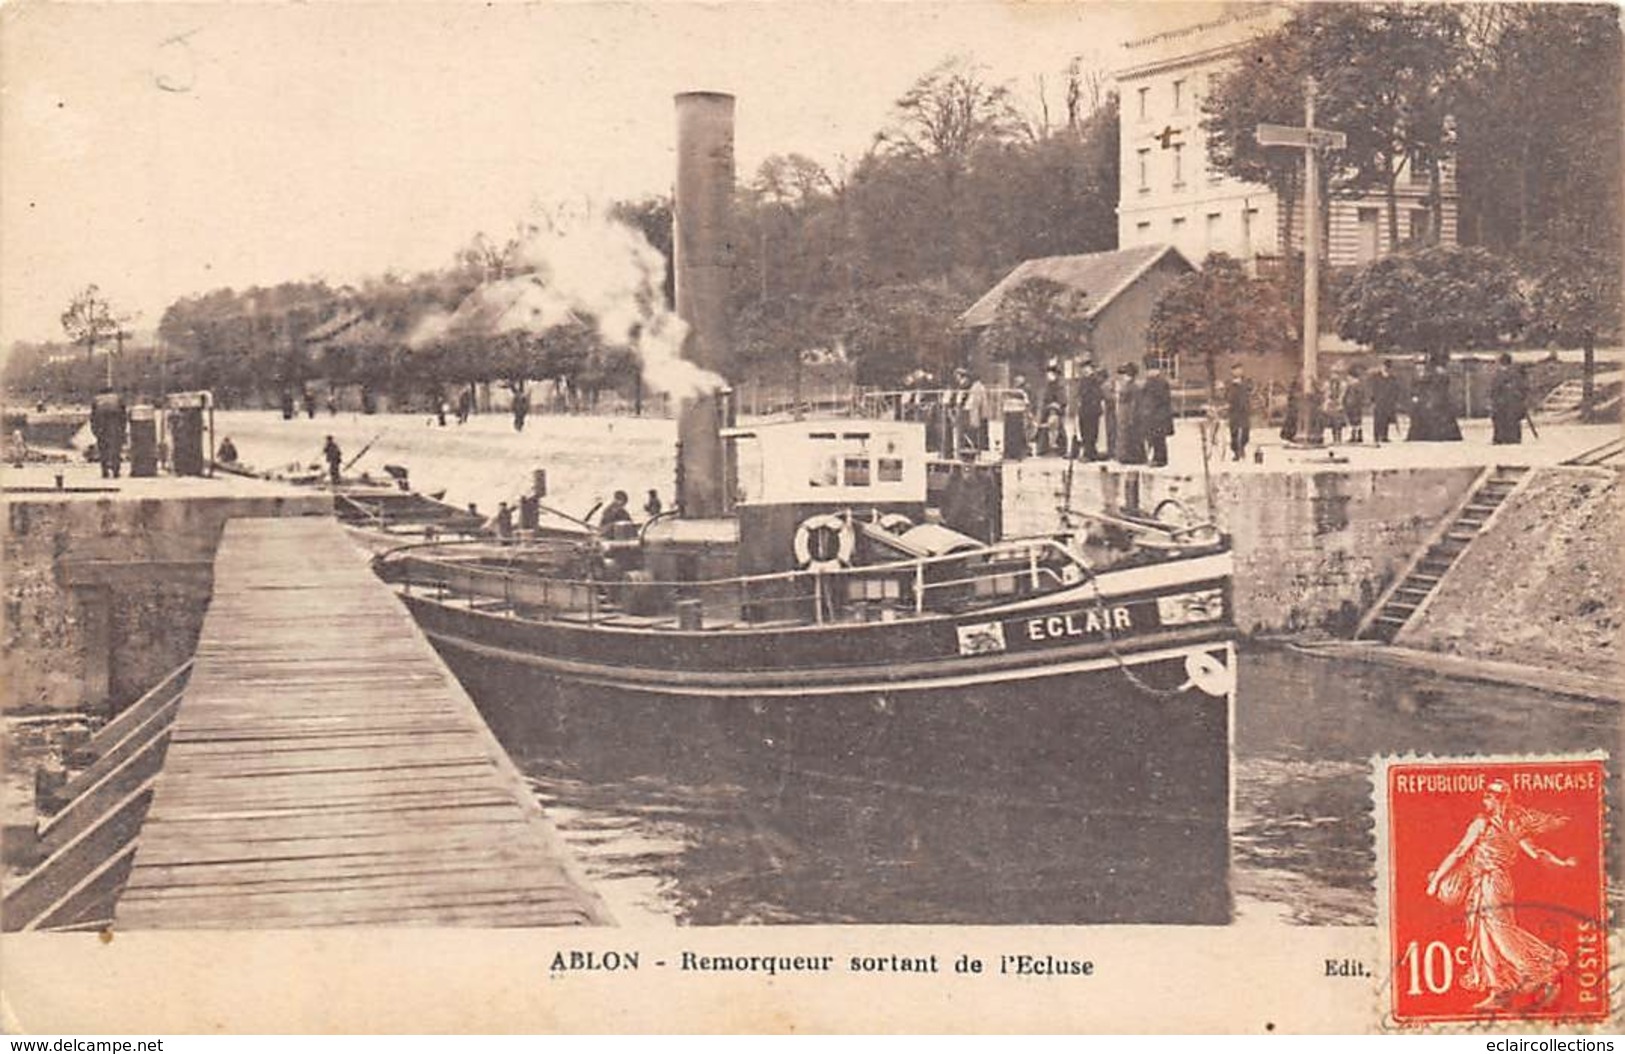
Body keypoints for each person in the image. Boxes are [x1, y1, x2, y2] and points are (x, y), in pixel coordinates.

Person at [1426, 779, 1575, 1010]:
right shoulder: (1514, 825)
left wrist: (1436, 880)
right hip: (1493, 882)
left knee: (1499, 933)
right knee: (1485, 935)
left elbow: (1459, 852)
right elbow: (1536, 853)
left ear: (1499, 799)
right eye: (1486, 794)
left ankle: (1543, 970)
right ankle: (1500, 991)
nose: (1485, 798)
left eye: (1489, 795)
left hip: (1490, 882)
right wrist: (1561, 862)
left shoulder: (1482, 823)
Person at [1138, 364, 1174, 468]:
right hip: (1155, 415)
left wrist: (1149, 408)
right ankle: (1157, 458)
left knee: (1158, 438)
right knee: (1155, 438)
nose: (1148, 373)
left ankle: (1160, 459)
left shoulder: (1158, 382)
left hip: (1158, 415)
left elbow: (1158, 399)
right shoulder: (1153, 382)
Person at [1490, 352, 1528, 445]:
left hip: (1504, 402)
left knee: (1502, 420)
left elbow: (1495, 388)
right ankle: (1512, 438)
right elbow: (1522, 387)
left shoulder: (1500, 374)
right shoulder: (1515, 374)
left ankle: (1502, 438)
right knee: (1511, 420)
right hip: (1512, 402)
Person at [89, 388, 128, 479]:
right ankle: (115, 470)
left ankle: (104, 471)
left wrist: (95, 431)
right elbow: (123, 415)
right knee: (115, 447)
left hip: (101, 423)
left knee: (103, 447)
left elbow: (92, 417)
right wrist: (123, 429)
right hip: (115, 423)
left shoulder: (96, 399)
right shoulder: (118, 398)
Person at [1073, 360, 1104, 461]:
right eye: (1084, 368)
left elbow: (1098, 394)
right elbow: (1079, 394)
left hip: (1092, 410)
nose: (1085, 370)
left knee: (1091, 432)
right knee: (1084, 431)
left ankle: (1089, 453)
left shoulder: (1095, 380)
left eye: (1087, 368)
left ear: (1091, 369)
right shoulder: (1083, 380)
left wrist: (1092, 402)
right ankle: (1089, 451)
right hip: (1084, 410)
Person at [1115, 363, 1144, 464]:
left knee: (1131, 435)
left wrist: (1131, 416)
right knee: (1125, 434)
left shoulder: (1133, 387)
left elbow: (1134, 402)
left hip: (1128, 413)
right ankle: (1126, 455)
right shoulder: (1128, 385)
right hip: (1124, 413)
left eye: (1126, 374)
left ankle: (1132, 456)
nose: (1124, 377)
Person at [1225, 364, 1252, 462]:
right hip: (1234, 410)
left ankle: (1242, 447)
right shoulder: (1229, 383)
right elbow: (1226, 395)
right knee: (1234, 432)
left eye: (1239, 370)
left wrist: (1240, 384)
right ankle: (1236, 452)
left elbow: (1250, 389)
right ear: (1232, 372)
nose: (1237, 372)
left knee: (1245, 431)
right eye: (1235, 370)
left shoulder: (1247, 381)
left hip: (1244, 410)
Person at [1370, 361, 1400, 444]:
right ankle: (1376, 436)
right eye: (1385, 367)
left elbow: (1396, 390)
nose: (1386, 369)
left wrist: (1394, 400)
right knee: (1377, 419)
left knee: (1386, 419)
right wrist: (1373, 400)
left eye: (1388, 367)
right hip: (1379, 401)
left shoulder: (1392, 379)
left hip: (1388, 401)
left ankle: (1384, 436)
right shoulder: (1376, 377)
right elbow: (1373, 389)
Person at [1322, 366, 1348, 444]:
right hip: (1330, 404)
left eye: (1336, 374)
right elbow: (1325, 393)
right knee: (1331, 422)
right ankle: (1333, 437)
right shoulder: (1327, 383)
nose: (1334, 376)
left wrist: (1339, 400)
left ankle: (1338, 438)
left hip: (1338, 404)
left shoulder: (1343, 384)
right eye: (1333, 373)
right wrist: (1327, 400)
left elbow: (1343, 394)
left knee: (1338, 422)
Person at [1342, 366, 1367, 444]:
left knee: (1356, 421)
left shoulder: (1356, 385)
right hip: (1351, 405)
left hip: (1355, 405)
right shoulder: (1351, 385)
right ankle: (1355, 435)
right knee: (1353, 421)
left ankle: (1357, 436)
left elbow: (1359, 396)